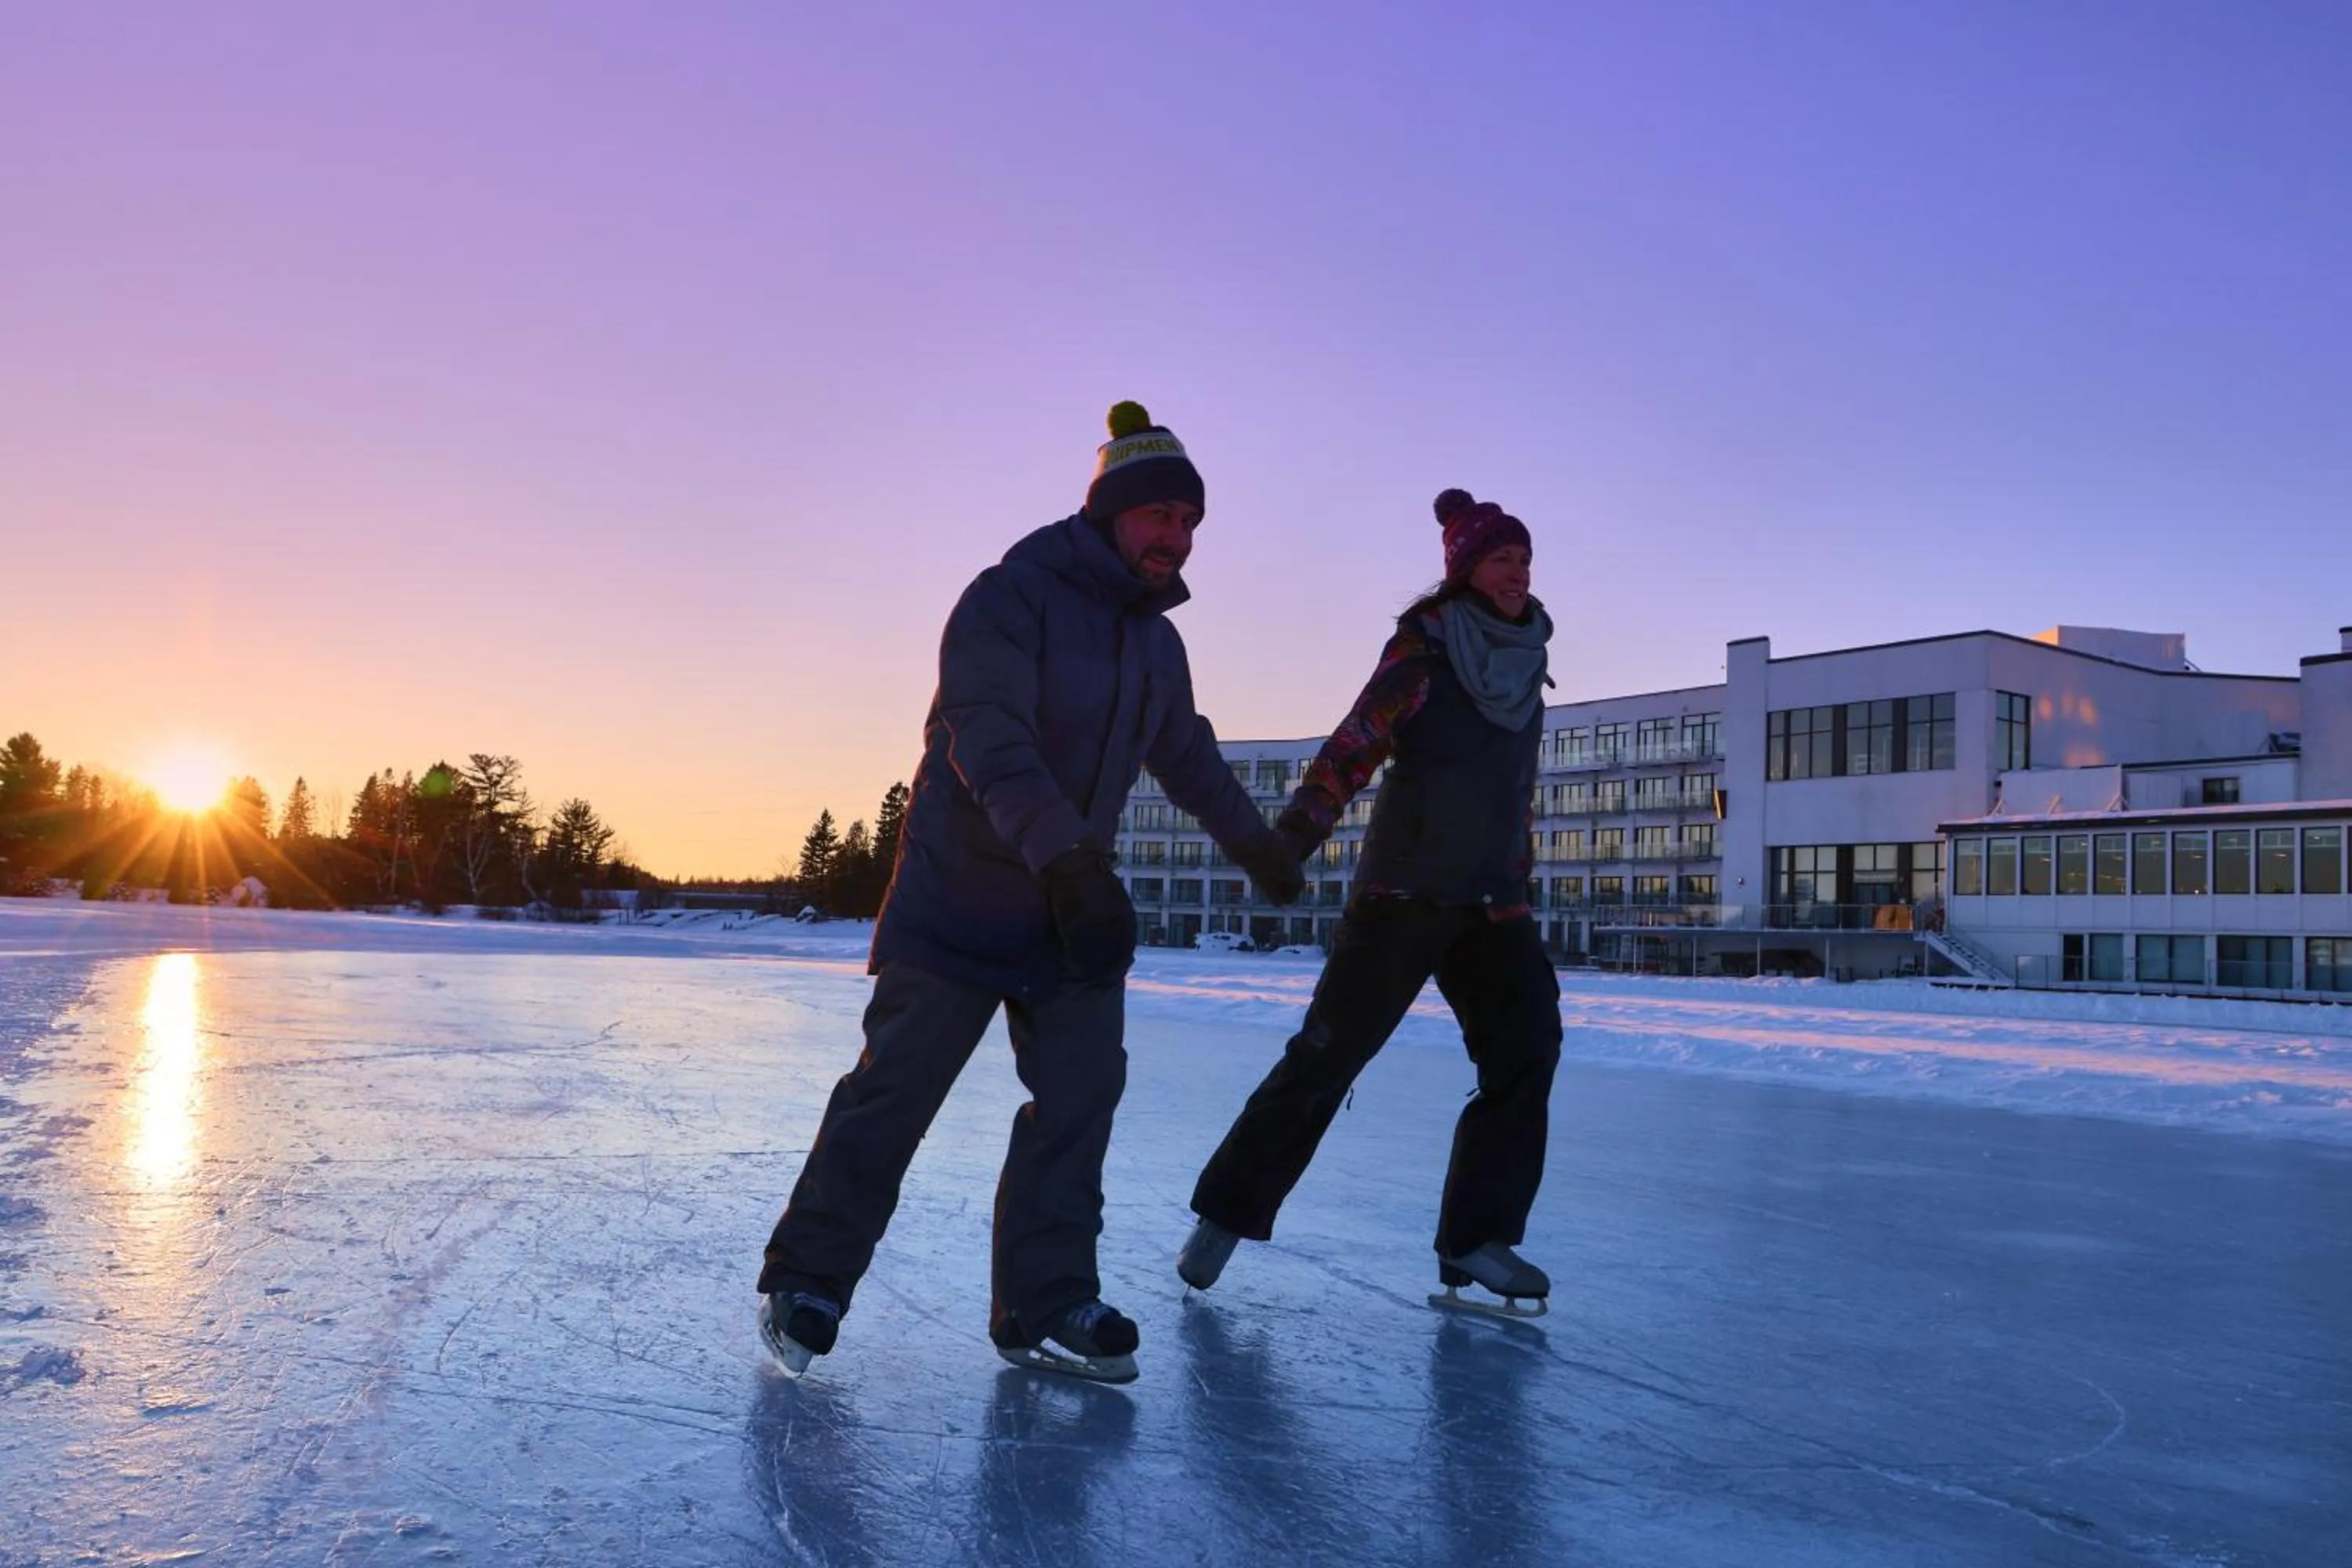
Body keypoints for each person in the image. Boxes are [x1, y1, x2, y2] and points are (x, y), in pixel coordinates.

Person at [757, 401, 1306, 1383]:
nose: (1177, 537)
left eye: (1191, 521)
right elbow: (989, 737)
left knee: (1080, 1099)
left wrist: (1258, 849)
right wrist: (1065, 858)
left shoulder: (1156, 645)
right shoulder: (1009, 596)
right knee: (895, 1091)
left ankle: (1044, 1301)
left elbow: (1186, 755)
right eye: (1160, 516)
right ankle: (808, 1278)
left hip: (1069, 911)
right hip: (962, 895)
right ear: (1109, 511)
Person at [1177, 487, 1563, 1314]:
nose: (1519, 572)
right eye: (1503, 558)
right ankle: (1226, 1211)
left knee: (1527, 1049)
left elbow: (1516, 793)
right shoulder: (1422, 656)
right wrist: (1290, 842)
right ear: (1464, 572)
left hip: (1493, 901)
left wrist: (1519, 878)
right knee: (1328, 1053)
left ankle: (1475, 1239)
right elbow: (1353, 747)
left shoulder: (1525, 661)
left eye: (1526, 558)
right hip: (1405, 892)